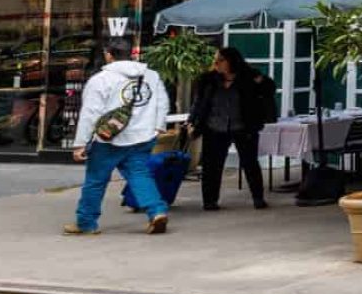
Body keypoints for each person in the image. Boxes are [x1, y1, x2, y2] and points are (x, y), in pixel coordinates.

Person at [65, 39, 171, 237]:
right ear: (131, 53)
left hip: (109, 139)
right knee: (140, 174)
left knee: (96, 180)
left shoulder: (101, 80)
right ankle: (156, 211)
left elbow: (90, 113)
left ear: (108, 54)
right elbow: (162, 103)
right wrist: (158, 127)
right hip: (143, 137)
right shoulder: (151, 76)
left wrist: (80, 143)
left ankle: (86, 222)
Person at [186, 45, 277, 211]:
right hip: (214, 126)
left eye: (221, 60)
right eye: (216, 60)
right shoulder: (208, 80)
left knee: (250, 162)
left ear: (231, 61)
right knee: (212, 165)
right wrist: (191, 121)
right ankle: (210, 200)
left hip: (243, 126)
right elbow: (199, 103)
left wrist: (261, 81)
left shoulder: (248, 77)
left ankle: (258, 197)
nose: (217, 63)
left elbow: (270, 89)